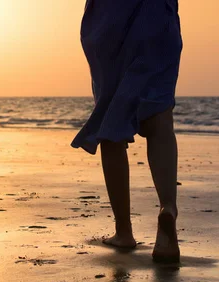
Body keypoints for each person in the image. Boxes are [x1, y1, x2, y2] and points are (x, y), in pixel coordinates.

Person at [71, 0, 183, 263]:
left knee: (111, 120)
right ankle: (168, 209)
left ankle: (124, 231)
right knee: (159, 119)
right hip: (157, 17)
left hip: (109, 19)